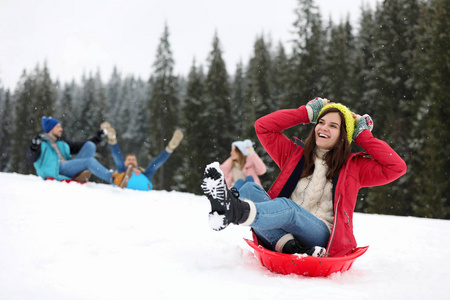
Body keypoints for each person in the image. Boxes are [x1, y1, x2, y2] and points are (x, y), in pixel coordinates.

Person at [201, 98, 407, 257]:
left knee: (290, 209)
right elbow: (263, 127)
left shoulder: (354, 167)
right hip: (285, 223)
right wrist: (306, 112)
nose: (324, 127)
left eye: (333, 126)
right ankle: (289, 245)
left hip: (321, 233)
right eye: (321, 122)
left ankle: (234, 211)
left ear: (344, 135)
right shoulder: (295, 155)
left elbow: (396, 167)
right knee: (247, 190)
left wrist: (362, 135)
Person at [27, 117, 116, 183]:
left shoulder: (61, 142)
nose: (61, 129)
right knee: (89, 161)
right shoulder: (40, 142)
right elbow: (31, 158)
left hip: (67, 167)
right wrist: (34, 147)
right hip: (56, 169)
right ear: (51, 128)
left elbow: (78, 146)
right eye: (58, 127)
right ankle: (113, 178)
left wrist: (97, 138)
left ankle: (79, 174)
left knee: (90, 145)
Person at [101, 122, 184, 190]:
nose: (131, 161)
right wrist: (130, 170)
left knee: (153, 166)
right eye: (129, 159)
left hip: (142, 180)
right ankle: (112, 138)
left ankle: (170, 147)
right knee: (119, 164)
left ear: (136, 163)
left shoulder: (141, 172)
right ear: (125, 162)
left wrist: (135, 171)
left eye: (133, 160)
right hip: (123, 177)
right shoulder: (121, 169)